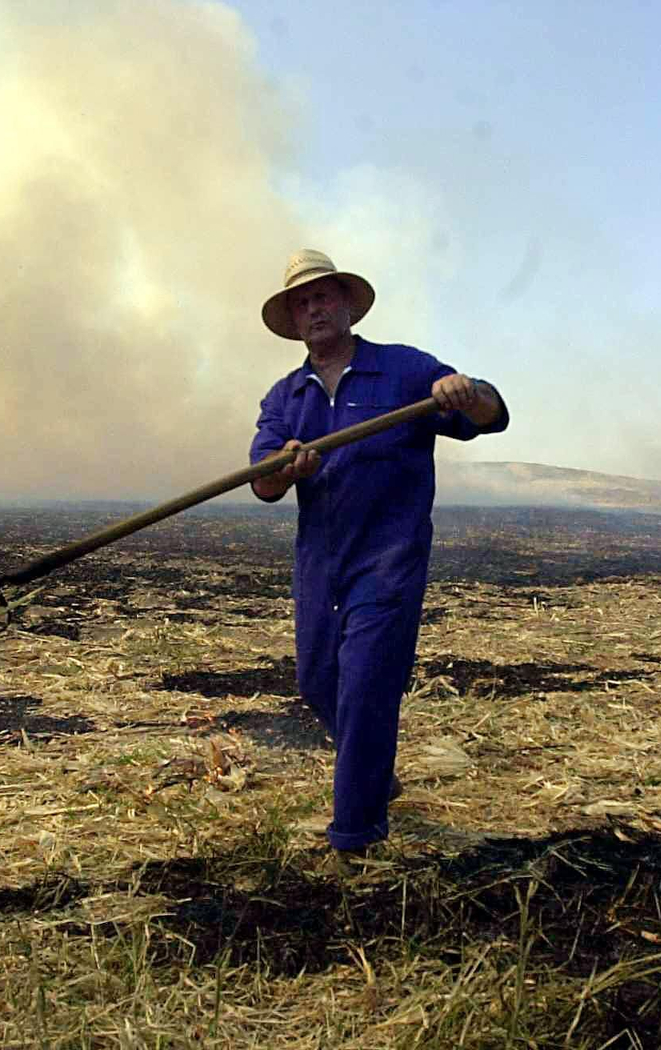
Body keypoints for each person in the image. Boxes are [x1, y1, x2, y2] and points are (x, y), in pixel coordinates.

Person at [248, 249, 508, 854]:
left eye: (323, 296)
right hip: (320, 561)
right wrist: (285, 467)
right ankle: (372, 770)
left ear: (346, 304)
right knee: (317, 682)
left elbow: (492, 415)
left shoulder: (404, 371)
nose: (314, 308)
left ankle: (355, 837)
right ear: (292, 318)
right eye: (302, 302)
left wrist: (464, 392)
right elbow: (261, 482)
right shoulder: (286, 397)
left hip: (388, 558)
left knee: (366, 684)